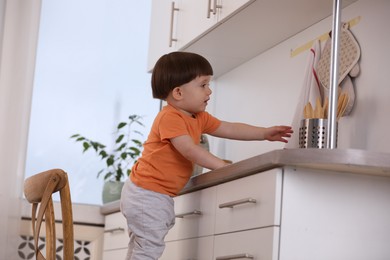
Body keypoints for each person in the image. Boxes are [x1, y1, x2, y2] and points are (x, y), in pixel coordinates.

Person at [120, 51, 293, 260]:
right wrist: (223, 167)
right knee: (149, 248)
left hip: (150, 193)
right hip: (147, 194)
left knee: (143, 246)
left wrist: (264, 133)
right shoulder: (169, 117)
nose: (209, 91)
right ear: (178, 93)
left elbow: (229, 128)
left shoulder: (198, 117)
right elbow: (189, 149)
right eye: (203, 85)